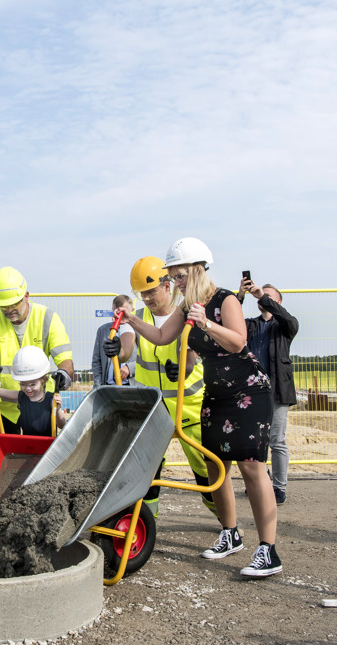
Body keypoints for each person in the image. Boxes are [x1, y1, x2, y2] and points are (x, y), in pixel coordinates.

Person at [120, 238, 281, 577]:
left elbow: (239, 341)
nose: (174, 283)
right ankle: (230, 533)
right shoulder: (184, 307)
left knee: (252, 467)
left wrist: (206, 322)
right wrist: (132, 322)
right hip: (217, 394)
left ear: (195, 270)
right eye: (174, 277)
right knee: (215, 466)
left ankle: (268, 550)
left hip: (248, 390)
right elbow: (162, 337)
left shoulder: (224, 300)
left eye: (178, 276)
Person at [108, 257, 215, 518]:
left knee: (205, 471)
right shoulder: (138, 318)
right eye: (141, 293)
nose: (146, 298)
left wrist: (181, 369)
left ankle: (226, 523)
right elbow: (126, 350)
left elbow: (189, 362)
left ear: (168, 286)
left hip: (188, 407)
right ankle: (146, 527)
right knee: (148, 470)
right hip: (153, 410)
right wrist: (117, 352)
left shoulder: (184, 312)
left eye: (151, 291)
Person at [0, 267, 74, 436]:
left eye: (14, 304)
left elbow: (65, 358)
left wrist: (64, 373)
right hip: (2, 406)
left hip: (40, 405)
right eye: (3, 306)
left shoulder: (47, 318)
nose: (9, 310)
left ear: (26, 296)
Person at [239, 279, 299, 505]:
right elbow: (228, 321)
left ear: (279, 302)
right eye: (261, 296)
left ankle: (278, 488)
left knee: (277, 441)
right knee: (252, 443)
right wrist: (241, 295)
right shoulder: (250, 325)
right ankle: (260, 483)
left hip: (277, 392)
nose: (261, 297)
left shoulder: (285, 326)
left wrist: (261, 296)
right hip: (251, 392)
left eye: (268, 296)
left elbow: (287, 319)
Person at [0, 345, 66, 436]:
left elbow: (62, 425)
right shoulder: (21, 396)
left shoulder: (51, 399)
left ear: (42, 380)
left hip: (47, 446)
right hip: (27, 445)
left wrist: (57, 410)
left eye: (32, 384)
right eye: (23, 384)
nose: (28, 388)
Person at [90, 295, 137, 388]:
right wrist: (98, 386)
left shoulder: (139, 330)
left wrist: (130, 367)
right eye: (116, 312)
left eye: (124, 312)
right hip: (108, 387)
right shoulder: (103, 330)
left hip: (131, 386)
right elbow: (97, 361)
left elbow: (147, 359)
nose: (119, 316)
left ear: (132, 310)